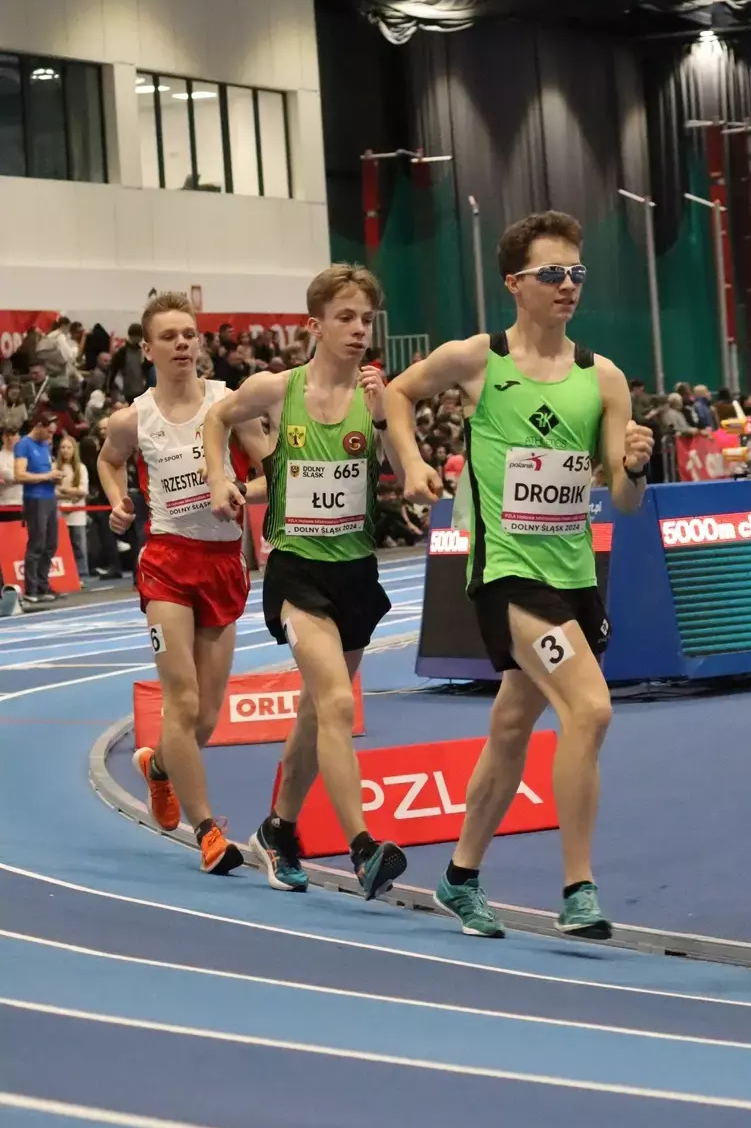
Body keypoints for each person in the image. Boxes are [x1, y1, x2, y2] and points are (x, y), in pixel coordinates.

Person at [384, 210, 654, 940]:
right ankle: (578, 889)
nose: (569, 286)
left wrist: (632, 465)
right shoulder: (479, 359)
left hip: (573, 572)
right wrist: (410, 462)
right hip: (506, 572)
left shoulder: (603, 378)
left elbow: (624, 502)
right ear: (515, 284)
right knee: (590, 710)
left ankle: (459, 878)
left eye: (577, 274)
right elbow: (396, 395)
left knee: (510, 728)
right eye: (552, 274)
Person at [203, 265, 407, 901]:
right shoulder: (276, 388)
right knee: (338, 704)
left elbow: (400, 470)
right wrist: (218, 477)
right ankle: (363, 849)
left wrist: (379, 421)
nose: (358, 330)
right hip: (297, 571)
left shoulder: (378, 395)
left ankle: (277, 830)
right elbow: (216, 420)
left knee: (316, 713)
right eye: (345, 318)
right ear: (314, 325)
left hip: (356, 572)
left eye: (366, 319)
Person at [97, 292, 268, 875]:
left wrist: (245, 492)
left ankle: (159, 769)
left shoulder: (229, 403)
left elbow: (275, 469)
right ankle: (208, 832)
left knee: (207, 719)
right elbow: (108, 458)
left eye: (189, 334)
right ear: (147, 349)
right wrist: (120, 499)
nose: (182, 344)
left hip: (223, 565)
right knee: (183, 699)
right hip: (167, 563)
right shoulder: (134, 418)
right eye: (168, 336)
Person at [14, 409, 60, 606]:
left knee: (51, 543)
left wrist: (55, 476)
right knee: (37, 543)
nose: (51, 436)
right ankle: (31, 589)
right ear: (38, 426)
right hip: (35, 499)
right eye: (48, 432)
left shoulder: (44, 445)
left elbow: (46, 469)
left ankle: (43, 585)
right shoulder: (24, 445)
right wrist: (47, 477)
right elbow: (20, 475)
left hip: (50, 497)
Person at [55, 434, 89, 581]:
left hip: (77, 512)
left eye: (68, 447)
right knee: (60, 545)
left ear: (74, 449)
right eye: (63, 447)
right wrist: (68, 493)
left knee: (79, 545)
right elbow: (53, 492)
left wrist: (64, 491)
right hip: (59, 511)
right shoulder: (54, 467)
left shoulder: (81, 468)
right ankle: (65, 575)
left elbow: (83, 491)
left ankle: (82, 574)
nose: (65, 450)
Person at [0, 426, 23, 522]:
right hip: (4, 504)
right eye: (8, 436)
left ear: (19, 437)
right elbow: (7, 475)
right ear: (3, 438)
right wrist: (25, 476)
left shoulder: (25, 456)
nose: (11, 439)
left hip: (22, 503)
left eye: (14, 435)